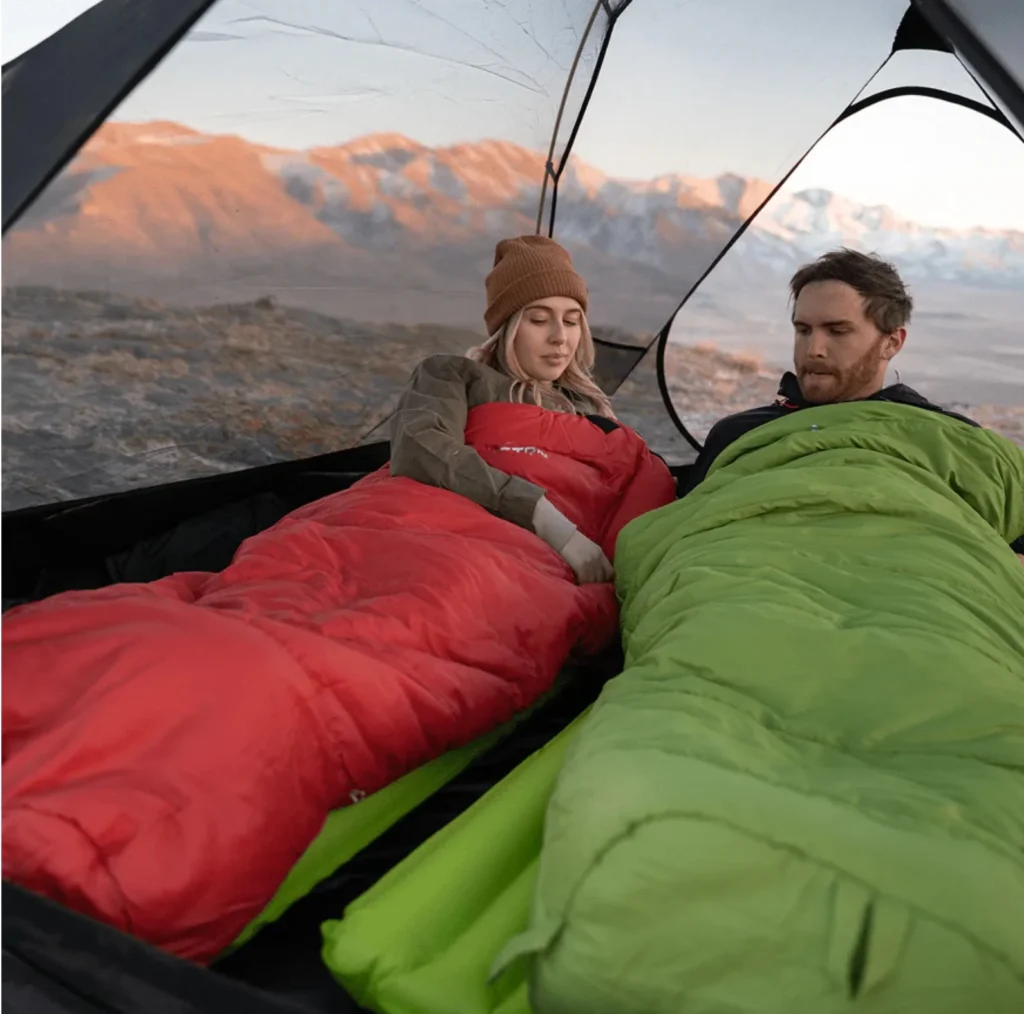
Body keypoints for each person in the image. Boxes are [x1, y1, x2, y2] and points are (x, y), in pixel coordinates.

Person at [681, 247, 1024, 558]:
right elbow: (684, 535)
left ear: (892, 342)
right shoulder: (740, 435)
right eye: (803, 330)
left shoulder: (952, 444)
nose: (814, 349)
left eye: (837, 331)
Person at [390, 235, 619, 584]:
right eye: (539, 320)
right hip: (441, 539)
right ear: (506, 327)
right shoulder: (453, 375)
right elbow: (421, 448)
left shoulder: (589, 412)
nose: (559, 337)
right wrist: (547, 520)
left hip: (540, 571)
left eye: (572, 321)